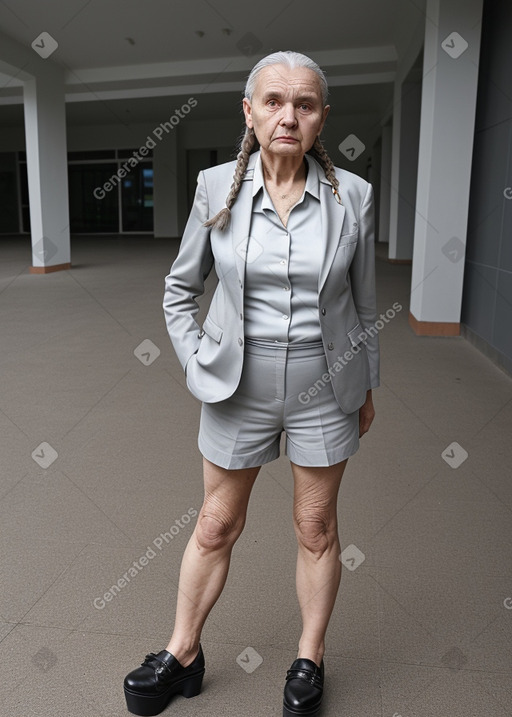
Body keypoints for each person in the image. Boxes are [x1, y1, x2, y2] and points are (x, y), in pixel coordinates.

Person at [123, 50, 379, 717]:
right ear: (249, 112)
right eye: (273, 101)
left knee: (316, 525)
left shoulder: (353, 196)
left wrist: (366, 383)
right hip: (237, 382)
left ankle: (309, 657)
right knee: (213, 523)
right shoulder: (216, 188)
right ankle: (182, 654)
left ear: (322, 117)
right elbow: (181, 289)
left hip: (327, 383)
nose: (287, 115)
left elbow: (363, 301)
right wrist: (197, 357)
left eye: (304, 103)